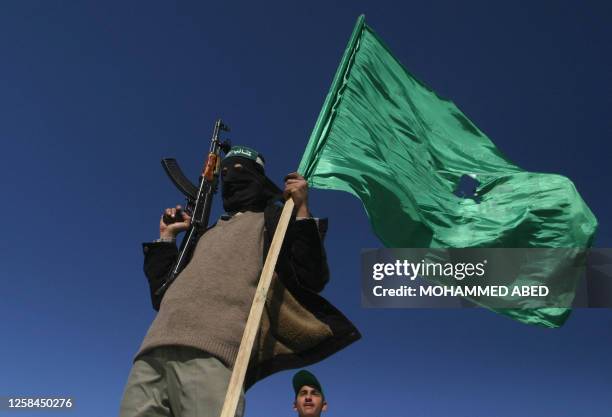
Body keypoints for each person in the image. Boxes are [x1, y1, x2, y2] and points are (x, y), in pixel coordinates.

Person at [119, 146, 360, 417]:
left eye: (239, 170)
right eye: (224, 173)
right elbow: (160, 294)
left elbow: (310, 276)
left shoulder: (273, 223)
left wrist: (301, 209)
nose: (230, 179)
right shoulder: (204, 234)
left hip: (213, 353)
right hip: (151, 355)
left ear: (258, 178)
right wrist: (166, 238)